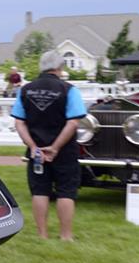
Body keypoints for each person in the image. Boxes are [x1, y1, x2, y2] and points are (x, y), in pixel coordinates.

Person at [11, 51, 86, 241]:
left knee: (39, 191)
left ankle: (42, 234)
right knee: (66, 191)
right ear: (59, 68)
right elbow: (73, 123)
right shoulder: (70, 90)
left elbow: (19, 123)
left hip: (36, 151)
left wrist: (34, 146)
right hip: (64, 150)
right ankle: (66, 235)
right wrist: (55, 147)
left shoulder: (25, 90)